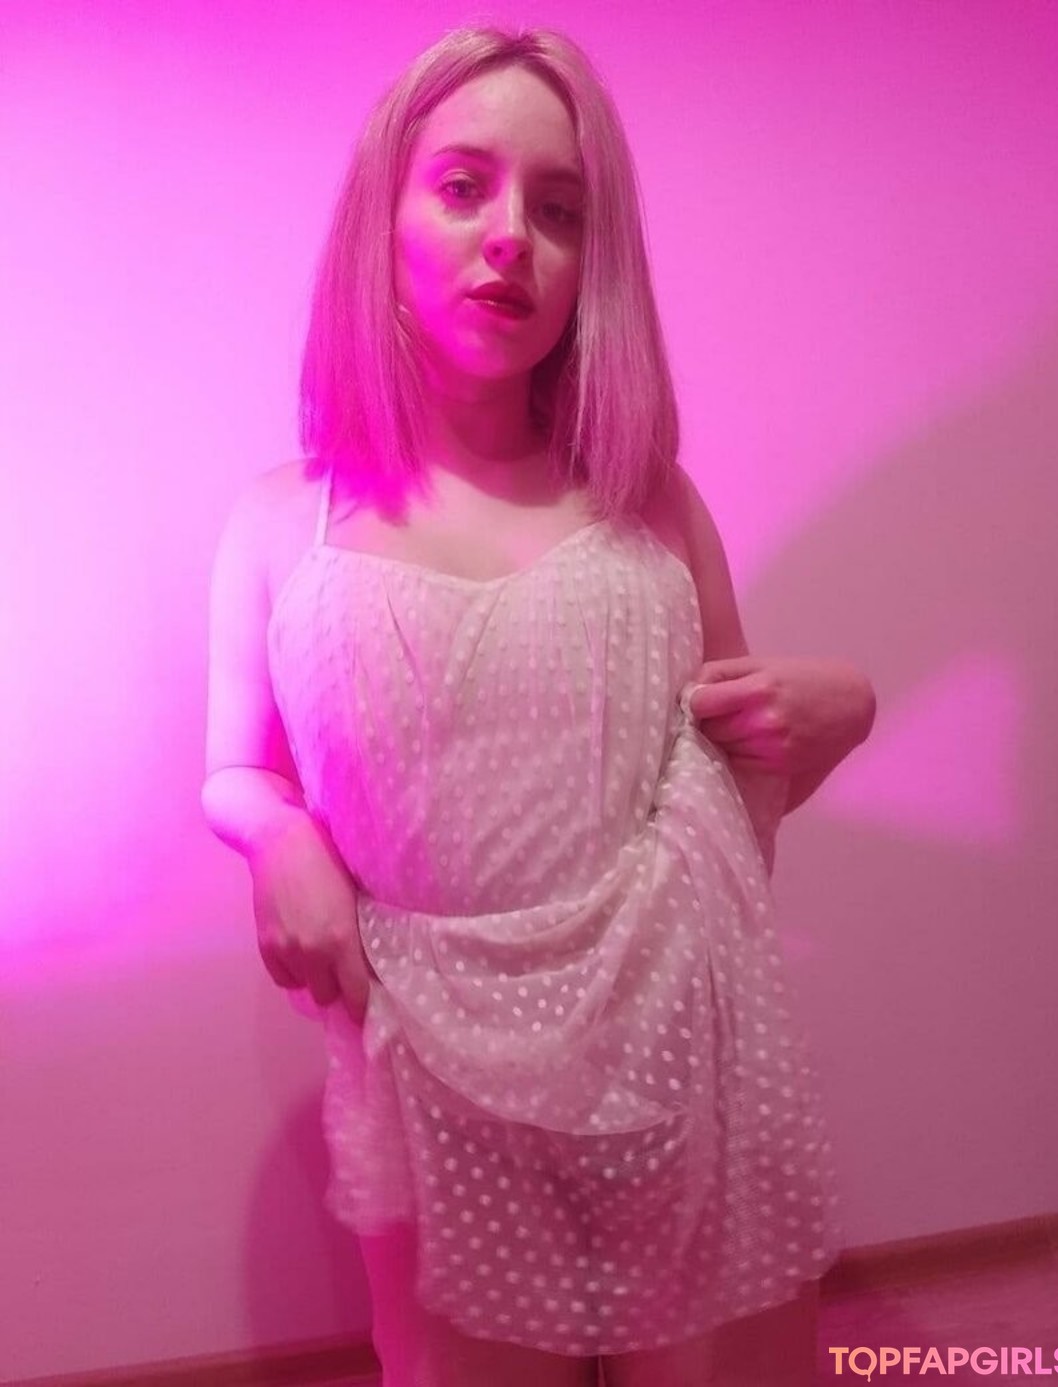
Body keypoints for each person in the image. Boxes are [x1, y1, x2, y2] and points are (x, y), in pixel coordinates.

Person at [202, 25, 875, 1387]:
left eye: (560, 211)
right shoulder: (284, 523)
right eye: (464, 188)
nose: (512, 236)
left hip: (664, 1047)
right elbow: (235, 769)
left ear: (592, 264)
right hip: (423, 1059)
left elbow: (731, 766)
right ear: (384, 219)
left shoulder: (648, 505)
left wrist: (843, 707)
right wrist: (277, 838)